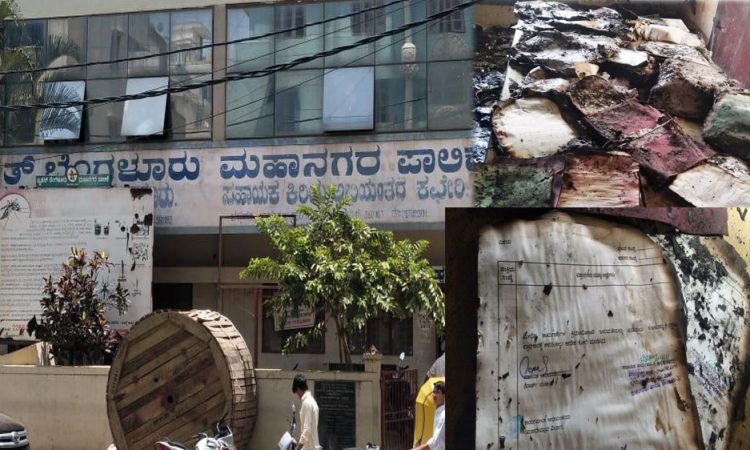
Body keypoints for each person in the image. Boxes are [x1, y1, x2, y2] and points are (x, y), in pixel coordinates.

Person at [412, 381, 445, 450]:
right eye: (434, 392)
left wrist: (417, 449)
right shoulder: (437, 411)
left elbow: (434, 442)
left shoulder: (443, 415)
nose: (434, 395)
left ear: (444, 396)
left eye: (438, 392)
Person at [292, 374, 321, 450]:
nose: (297, 395)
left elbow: (307, 430)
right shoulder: (312, 401)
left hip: (309, 447)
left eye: (296, 392)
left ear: (298, 389)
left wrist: (298, 448)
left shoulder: (307, 403)